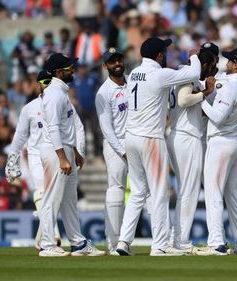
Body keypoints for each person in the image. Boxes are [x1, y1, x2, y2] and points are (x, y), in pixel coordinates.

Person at [115, 38, 201, 256]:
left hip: (131, 137)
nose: (168, 55)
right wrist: (193, 56)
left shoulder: (134, 73)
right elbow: (193, 74)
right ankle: (160, 245)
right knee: (159, 192)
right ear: (160, 56)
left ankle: (123, 242)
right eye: (166, 52)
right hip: (151, 139)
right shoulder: (160, 74)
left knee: (137, 192)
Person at [5, 70, 86, 250]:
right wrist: (12, 159)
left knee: (59, 196)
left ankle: (44, 238)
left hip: (60, 153)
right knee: (43, 193)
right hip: (36, 156)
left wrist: (79, 151)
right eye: (43, 82)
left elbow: (78, 128)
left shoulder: (61, 101)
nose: (46, 84)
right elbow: (19, 136)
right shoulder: (29, 108)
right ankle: (53, 235)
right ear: (38, 84)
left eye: (49, 81)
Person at [39, 53, 104, 257]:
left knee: (69, 200)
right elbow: (54, 128)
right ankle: (48, 245)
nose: (73, 69)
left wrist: (74, 151)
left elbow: (67, 127)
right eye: (69, 67)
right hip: (54, 151)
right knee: (51, 199)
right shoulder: (53, 94)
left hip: (65, 149)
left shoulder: (61, 93)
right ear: (59, 72)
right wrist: (61, 157)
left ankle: (78, 243)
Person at [196, 47, 237, 256]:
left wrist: (201, 99)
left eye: (230, 60)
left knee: (214, 193)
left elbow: (218, 117)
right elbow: (218, 79)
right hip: (236, 141)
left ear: (236, 64)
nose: (226, 62)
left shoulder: (230, 87)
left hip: (221, 142)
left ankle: (217, 243)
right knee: (234, 195)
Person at [167, 46, 218, 254]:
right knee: (189, 191)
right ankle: (181, 240)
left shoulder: (182, 74)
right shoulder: (189, 75)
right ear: (204, 64)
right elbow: (183, 100)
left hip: (181, 135)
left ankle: (175, 237)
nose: (213, 69)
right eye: (212, 65)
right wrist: (206, 92)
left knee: (186, 190)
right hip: (186, 138)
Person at [95, 48, 129, 255]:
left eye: (119, 59)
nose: (117, 63)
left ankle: (161, 240)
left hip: (136, 142)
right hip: (115, 145)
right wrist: (122, 150)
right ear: (105, 66)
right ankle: (113, 241)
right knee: (116, 186)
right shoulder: (103, 92)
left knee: (152, 188)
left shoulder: (133, 83)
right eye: (112, 61)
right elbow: (106, 129)